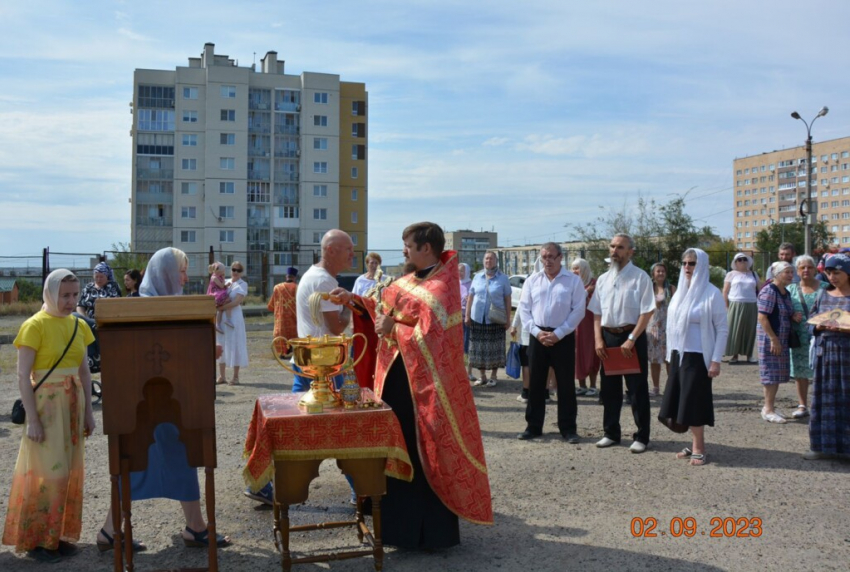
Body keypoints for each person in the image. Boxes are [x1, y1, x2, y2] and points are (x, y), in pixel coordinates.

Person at [332, 221, 493, 549]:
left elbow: (433, 338)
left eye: (408, 245)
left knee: (422, 457)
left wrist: (394, 329)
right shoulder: (406, 280)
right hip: (395, 384)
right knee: (395, 450)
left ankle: (428, 534)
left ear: (426, 249)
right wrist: (355, 300)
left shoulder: (443, 288)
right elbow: (386, 308)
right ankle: (395, 528)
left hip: (425, 391)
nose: (404, 250)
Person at [98, 248, 230, 551]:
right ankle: (109, 531)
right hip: (142, 409)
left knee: (184, 457)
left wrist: (205, 351)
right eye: (181, 271)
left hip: (174, 405)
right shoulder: (134, 311)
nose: (185, 277)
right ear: (166, 272)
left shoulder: (181, 309)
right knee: (133, 462)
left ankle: (194, 526)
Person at [244, 230, 354, 506]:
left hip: (310, 362)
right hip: (325, 365)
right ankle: (362, 489)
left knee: (290, 428)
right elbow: (336, 327)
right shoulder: (323, 280)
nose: (352, 255)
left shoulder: (316, 276)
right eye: (347, 249)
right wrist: (350, 305)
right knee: (346, 427)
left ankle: (262, 483)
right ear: (330, 250)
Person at [2, 270, 96, 564]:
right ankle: (38, 540)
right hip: (46, 406)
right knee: (47, 471)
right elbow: (22, 375)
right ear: (50, 293)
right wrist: (32, 419)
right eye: (64, 295)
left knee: (68, 469)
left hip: (73, 403)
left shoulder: (79, 326)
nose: (70, 301)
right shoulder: (34, 326)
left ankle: (58, 535)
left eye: (74, 295)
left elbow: (84, 372)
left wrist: (89, 413)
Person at [658, 249, 728, 466]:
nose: (687, 267)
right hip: (679, 355)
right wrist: (670, 354)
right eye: (685, 263)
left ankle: (699, 447)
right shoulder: (680, 292)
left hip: (699, 356)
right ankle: (693, 443)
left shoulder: (711, 293)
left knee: (694, 402)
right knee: (680, 402)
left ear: (702, 265)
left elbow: (722, 328)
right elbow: (672, 326)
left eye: (692, 263)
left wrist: (716, 360)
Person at [588, 233, 656, 453]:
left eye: (620, 247)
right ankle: (611, 432)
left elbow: (647, 311)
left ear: (630, 252)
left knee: (636, 389)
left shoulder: (640, 277)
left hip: (631, 338)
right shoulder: (603, 279)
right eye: (612, 246)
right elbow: (596, 312)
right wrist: (598, 339)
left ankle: (641, 436)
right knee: (609, 389)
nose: (614, 251)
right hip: (608, 338)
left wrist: (632, 338)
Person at [516, 243, 586, 442]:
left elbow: (578, 310)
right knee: (536, 384)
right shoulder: (532, 281)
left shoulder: (573, 281)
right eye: (544, 257)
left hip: (562, 337)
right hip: (538, 337)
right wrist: (537, 333)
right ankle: (533, 426)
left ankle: (568, 428)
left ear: (560, 257)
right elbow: (524, 309)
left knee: (565, 385)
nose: (547, 261)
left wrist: (560, 333)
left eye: (551, 257)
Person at [805, 253, 850, 459]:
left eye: (837, 273)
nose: (832, 277)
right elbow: (810, 323)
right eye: (829, 273)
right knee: (824, 400)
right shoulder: (823, 295)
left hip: (847, 355)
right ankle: (822, 447)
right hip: (826, 355)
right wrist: (818, 326)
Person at [756, 261, 801, 424]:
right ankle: (767, 409)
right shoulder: (769, 291)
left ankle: (770, 407)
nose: (791, 275)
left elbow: (783, 312)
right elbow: (762, 316)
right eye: (787, 272)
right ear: (777, 274)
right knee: (770, 374)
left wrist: (793, 316)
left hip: (780, 339)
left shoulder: (785, 292)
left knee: (776, 374)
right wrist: (773, 339)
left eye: (791, 272)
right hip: (770, 339)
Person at [786, 255, 828, 420]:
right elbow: (782, 309)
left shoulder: (826, 287)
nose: (806, 270)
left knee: (823, 371)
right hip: (799, 338)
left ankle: (821, 404)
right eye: (802, 267)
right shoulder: (791, 290)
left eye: (809, 267)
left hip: (821, 335)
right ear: (797, 271)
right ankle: (802, 404)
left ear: (815, 269)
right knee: (800, 371)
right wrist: (791, 315)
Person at [466, 251, 512, 387]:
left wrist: (508, 319)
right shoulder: (477, 277)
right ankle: (482, 376)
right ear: (483, 260)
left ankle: (493, 375)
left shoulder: (503, 278)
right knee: (478, 348)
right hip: (477, 318)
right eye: (486, 258)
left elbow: (507, 299)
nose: (488, 261)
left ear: (496, 261)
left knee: (495, 348)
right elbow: (470, 297)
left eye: (491, 258)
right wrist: (467, 315)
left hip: (496, 319)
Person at [351, 253, 382, 389]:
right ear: (367, 264)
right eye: (371, 263)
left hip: (377, 319)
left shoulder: (384, 280)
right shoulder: (360, 280)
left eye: (376, 263)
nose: (373, 265)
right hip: (363, 321)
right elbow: (354, 301)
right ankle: (362, 381)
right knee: (364, 351)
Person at [723, 253, 760, 364]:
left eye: (744, 259)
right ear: (735, 262)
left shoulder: (753, 274)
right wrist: (727, 306)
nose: (742, 261)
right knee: (735, 330)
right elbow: (725, 291)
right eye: (739, 259)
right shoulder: (731, 274)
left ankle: (749, 355)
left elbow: (761, 289)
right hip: (735, 303)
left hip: (751, 304)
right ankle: (734, 355)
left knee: (750, 329)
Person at [216, 262, 248, 385]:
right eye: (234, 269)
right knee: (221, 342)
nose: (235, 272)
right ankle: (222, 376)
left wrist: (221, 307)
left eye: (238, 270)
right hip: (222, 316)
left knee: (235, 343)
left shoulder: (243, 284)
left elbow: (237, 302)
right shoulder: (225, 282)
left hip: (234, 316)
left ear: (241, 272)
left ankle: (235, 377)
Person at [571, 258, 600, 397]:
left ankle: (593, 385)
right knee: (577, 354)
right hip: (576, 325)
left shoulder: (595, 284)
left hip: (591, 324)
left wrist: (589, 291)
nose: (575, 271)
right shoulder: (572, 284)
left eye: (577, 268)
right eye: (573, 268)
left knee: (592, 353)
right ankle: (581, 385)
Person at [646, 262, 675, 397]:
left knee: (669, 359)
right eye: (658, 271)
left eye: (663, 271)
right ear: (653, 274)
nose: (661, 273)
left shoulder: (672, 288)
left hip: (669, 327)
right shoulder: (648, 289)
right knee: (654, 360)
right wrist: (654, 303)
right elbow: (645, 306)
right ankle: (656, 387)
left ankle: (671, 388)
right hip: (653, 328)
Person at [268, 266, 299, 358]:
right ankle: (294, 350)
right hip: (294, 317)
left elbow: (271, 305)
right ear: (295, 277)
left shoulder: (277, 288)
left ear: (286, 276)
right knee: (295, 334)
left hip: (280, 319)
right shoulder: (298, 287)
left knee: (281, 334)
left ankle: (282, 352)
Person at [459, 262, 476, 382]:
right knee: (457, 346)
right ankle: (458, 372)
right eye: (458, 270)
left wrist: (470, 300)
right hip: (455, 319)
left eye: (462, 270)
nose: (460, 273)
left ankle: (469, 372)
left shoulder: (471, 284)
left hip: (467, 318)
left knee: (468, 346)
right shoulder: (454, 284)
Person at [207, 261, 234, 332]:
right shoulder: (214, 277)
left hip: (218, 293)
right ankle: (228, 319)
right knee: (229, 300)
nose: (224, 272)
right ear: (218, 271)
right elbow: (221, 286)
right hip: (216, 295)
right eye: (223, 271)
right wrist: (224, 279)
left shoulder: (218, 276)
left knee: (221, 309)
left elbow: (222, 285)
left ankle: (218, 325)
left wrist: (226, 284)